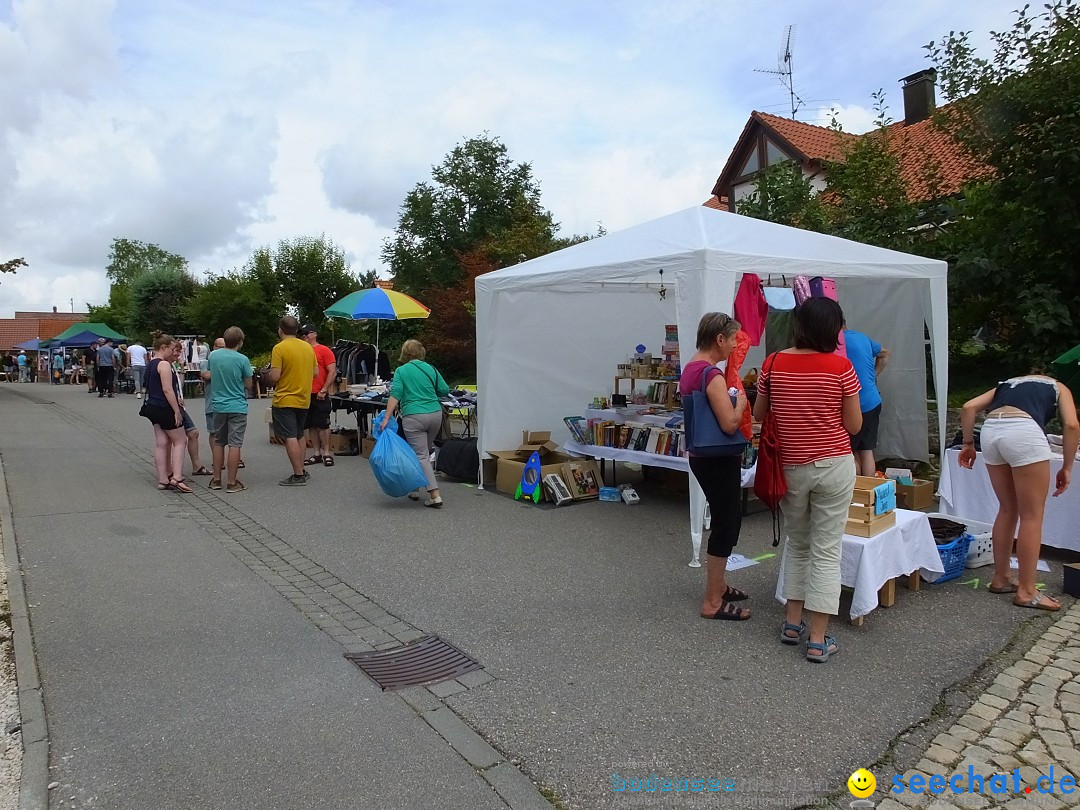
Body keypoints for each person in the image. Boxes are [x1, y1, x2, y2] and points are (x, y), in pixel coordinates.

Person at [753, 297, 862, 663]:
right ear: (833, 329)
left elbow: (759, 413)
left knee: (798, 544)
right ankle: (817, 639)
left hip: (790, 466)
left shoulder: (773, 363)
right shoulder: (841, 368)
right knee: (827, 550)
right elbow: (854, 425)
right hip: (833, 464)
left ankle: (791, 623)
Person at [959, 370, 1078, 612]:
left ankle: (1001, 578)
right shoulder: (1057, 386)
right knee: (1032, 515)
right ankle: (1026, 591)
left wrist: (968, 444)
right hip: (1024, 432)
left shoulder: (1008, 384)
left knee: (1007, 509)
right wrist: (1067, 466)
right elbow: (1071, 423)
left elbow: (969, 407)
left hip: (991, 430)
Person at [679, 312, 751, 621]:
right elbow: (729, 422)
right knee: (725, 523)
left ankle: (719, 585)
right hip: (718, 458)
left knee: (728, 518)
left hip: (702, 456)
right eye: (732, 339)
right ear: (719, 339)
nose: (735, 345)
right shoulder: (712, 375)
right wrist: (742, 403)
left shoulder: (691, 369)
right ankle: (712, 601)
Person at [378, 339, 450, 507]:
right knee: (422, 451)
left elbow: (395, 394)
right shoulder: (431, 368)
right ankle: (414, 488)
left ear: (406, 353)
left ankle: (435, 494)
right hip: (435, 414)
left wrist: (387, 417)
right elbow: (444, 390)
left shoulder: (402, 371)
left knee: (420, 455)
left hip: (414, 416)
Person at [268, 316, 317, 486]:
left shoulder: (279, 348)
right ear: (297, 330)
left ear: (280, 329)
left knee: (289, 436)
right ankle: (301, 468)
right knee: (299, 434)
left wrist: (266, 375)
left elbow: (275, 376)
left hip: (285, 397)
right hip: (303, 397)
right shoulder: (308, 347)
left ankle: (297, 475)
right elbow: (316, 372)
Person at [140, 335, 192, 493]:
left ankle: (163, 479)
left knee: (162, 441)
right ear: (163, 348)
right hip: (164, 406)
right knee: (180, 440)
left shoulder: (150, 364)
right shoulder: (163, 365)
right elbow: (167, 388)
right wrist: (176, 410)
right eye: (171, 348)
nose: (173, 352)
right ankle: (177, 477)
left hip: (152, 406)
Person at [205, 327, 252, 493]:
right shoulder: (243, 359)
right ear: (240, 342)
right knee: (235, 443)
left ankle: (216, 479)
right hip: (237, 405)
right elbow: (248, 384)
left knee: (219, 442)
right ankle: (231, 482)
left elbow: (209, 373)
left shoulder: (213, 356)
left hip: (218, 404)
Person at [843, 324, 890, 476]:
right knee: (867, 449)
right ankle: (868, 491)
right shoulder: (861, 337)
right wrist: (873, 376)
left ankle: (854, 492)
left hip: (853, 403)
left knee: (848, 452)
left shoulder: (834, 343)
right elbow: (885, 353)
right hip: (873, 400)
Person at [169, 339, 210, 478]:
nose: (178, 353)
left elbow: (178, 386)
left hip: (178, 405)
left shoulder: (173, 365)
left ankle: (195, 467)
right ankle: (172, 473)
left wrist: (181, 368)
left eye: (180, 351)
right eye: (176, 350)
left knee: (193, 434)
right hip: (171, 407)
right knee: (172, 440)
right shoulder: (163, 365)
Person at [299, 324, 338, 468]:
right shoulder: (302, 350)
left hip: (320, 392)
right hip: (305, 393)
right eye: (302, 335)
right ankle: (316, 453)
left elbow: (332, 371)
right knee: (311, 424)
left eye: (306, 334)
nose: (304, 337)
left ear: (314, 334)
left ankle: (326, 452)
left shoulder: (324, 350)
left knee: (323, 423)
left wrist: (324, 389)